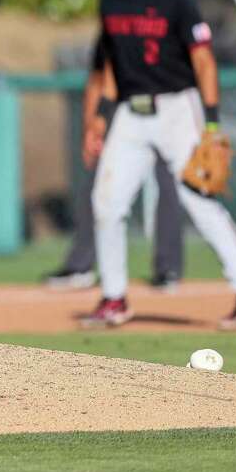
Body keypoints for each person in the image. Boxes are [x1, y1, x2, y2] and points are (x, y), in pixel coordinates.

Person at [80, 0, 236, 330]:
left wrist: (213, 124)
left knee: (200, 202)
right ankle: (114, 298)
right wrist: (100, 116)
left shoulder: (176, 1)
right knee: (106, 204)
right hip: (130, 112)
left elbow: (203, 61)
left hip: (177, 110)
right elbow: (114, 66)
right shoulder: (109, 2)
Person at [44, 39, 185, 291]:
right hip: (125, 118)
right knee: (99, 189)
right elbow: (98, 80)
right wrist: (91, 128)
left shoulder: (170, 19)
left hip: (167, 115)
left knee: (171, 187)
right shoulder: (115, 22)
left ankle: (168, 269)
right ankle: (81, 266)